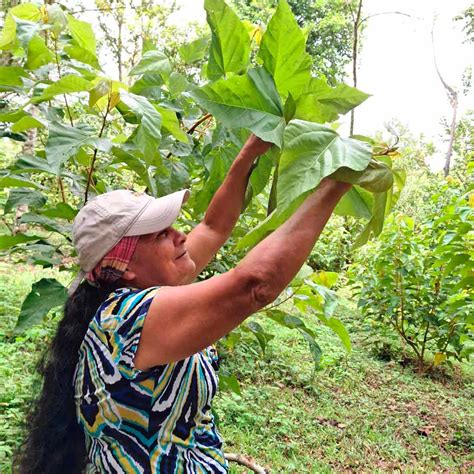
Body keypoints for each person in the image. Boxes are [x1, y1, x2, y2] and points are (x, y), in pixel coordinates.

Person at [16, 134, 351, 474]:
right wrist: (337, 182)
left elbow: (213, 226)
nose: (180, 236)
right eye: (160, 233)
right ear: (124, 265)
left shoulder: (129, 292)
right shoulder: (127, 318)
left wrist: (250, 151)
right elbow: (254, 285)